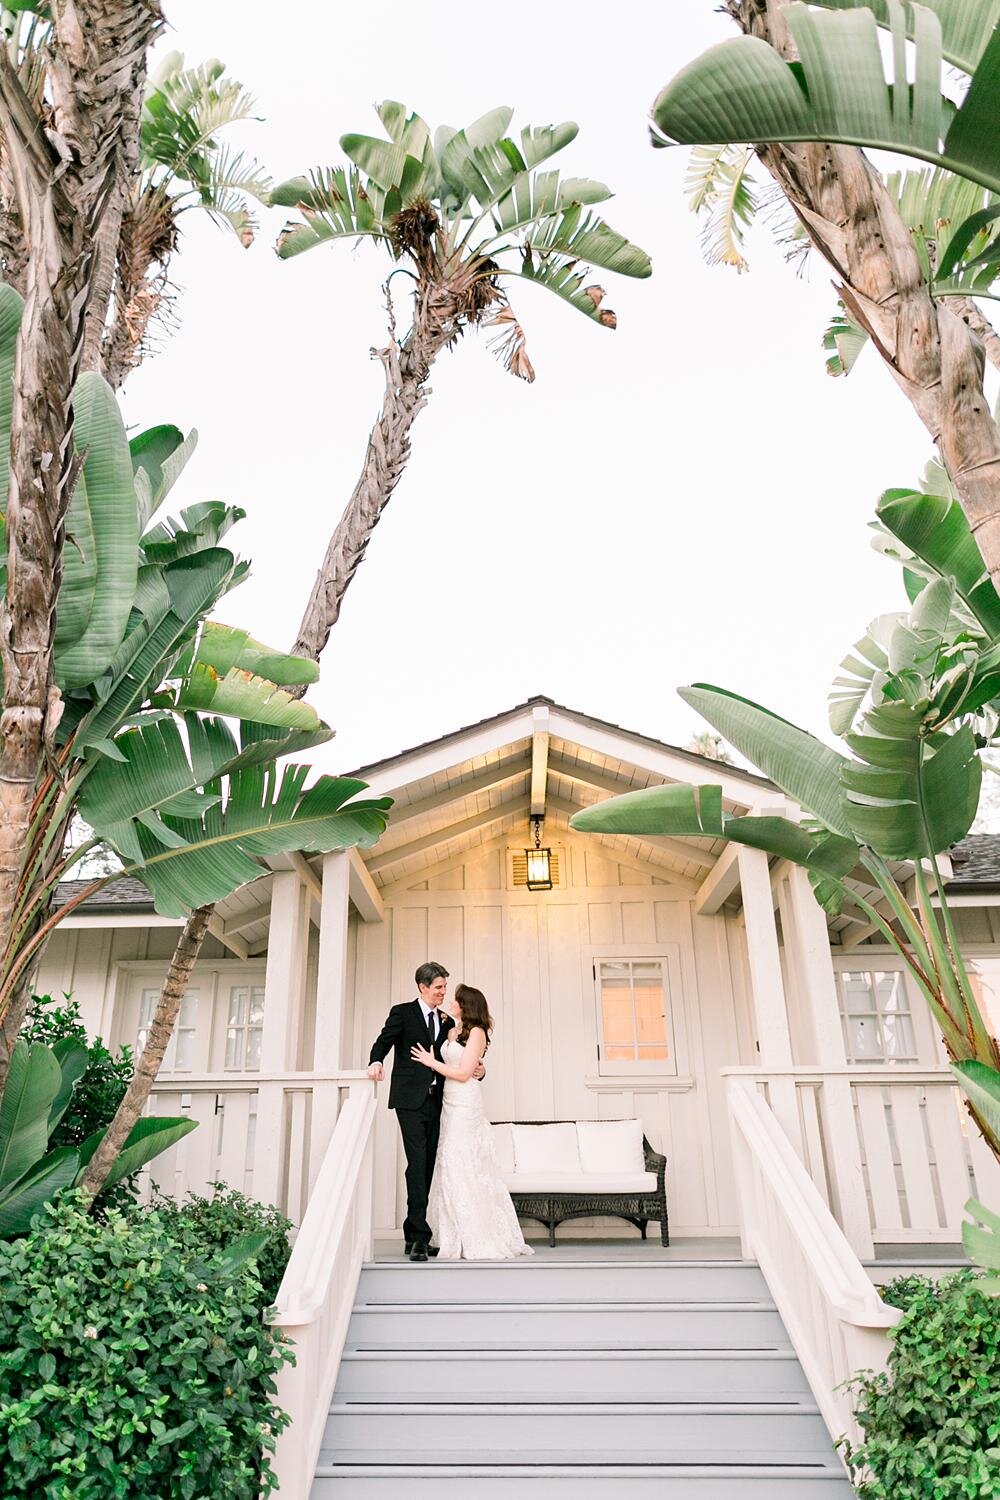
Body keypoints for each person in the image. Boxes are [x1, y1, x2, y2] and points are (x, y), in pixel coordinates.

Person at [367, 962, 485, 1262]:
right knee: (417, 1162)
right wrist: (376, 1061)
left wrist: (479, 1070)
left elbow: (463, 1058)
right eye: (438, 988)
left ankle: (412, 1231)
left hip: (439, 1101)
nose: (443, 993)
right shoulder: (402, 1012)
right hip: (409, 1100)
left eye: (445, 987)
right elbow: (384, 1040)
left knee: (428, 1164)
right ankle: (419, 1237)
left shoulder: (447, 1021)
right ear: (422, 987)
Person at [410, 983, 533, 1261]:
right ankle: (454, 1235)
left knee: (463, 1161)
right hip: (448, 1104)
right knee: (449, 1164)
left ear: (467, 1006)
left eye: (456, 1000)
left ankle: (478, 1236)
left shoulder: (476, 1033)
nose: (451, 1002)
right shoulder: (452, 1030)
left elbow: (465, 1072)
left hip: (466, 1103)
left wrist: (431, 1062)